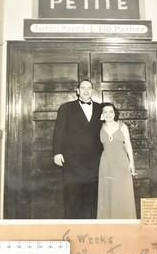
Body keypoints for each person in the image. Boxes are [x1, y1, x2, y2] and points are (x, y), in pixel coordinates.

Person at [53, 80, 103, 219]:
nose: (86, 91)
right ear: (77, 90)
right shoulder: (66, 108)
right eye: (83, 88)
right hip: (72, 161)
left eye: (89, 88)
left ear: (92, 90)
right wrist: (57, 152)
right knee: (72, 198)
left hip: (95, 161)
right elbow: (58, 132)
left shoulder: (101, 108)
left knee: (92, 199)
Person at [97, 102, 137, 219]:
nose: (108, 114)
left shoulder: (122, 126)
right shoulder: (99, 127)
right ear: (102, 114)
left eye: (111, 111)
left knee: (122, 192)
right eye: (105, 112)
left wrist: (132, 163)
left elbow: (128, 145)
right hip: (106, 163)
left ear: (115, 113)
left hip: (121, 163)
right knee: (108, 193)